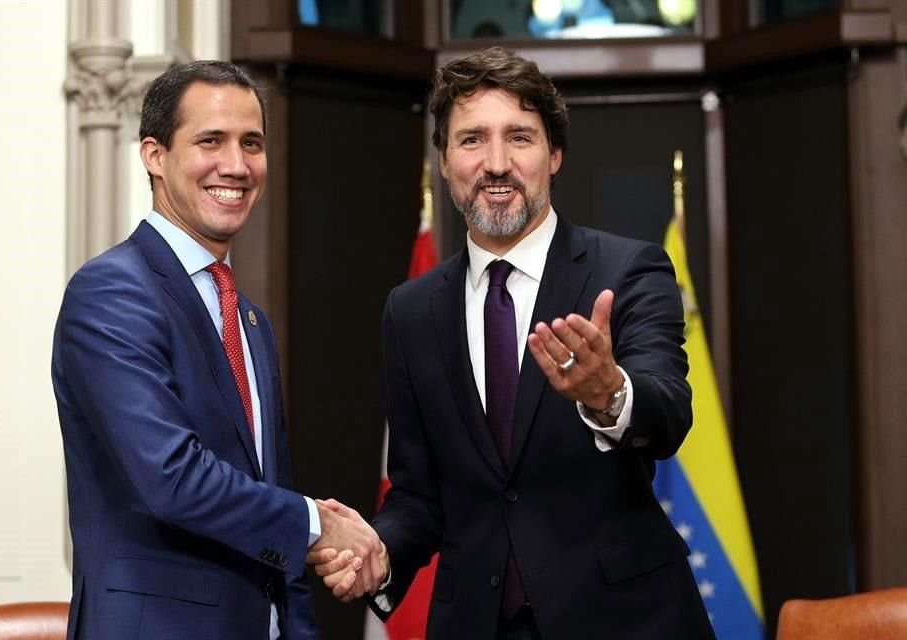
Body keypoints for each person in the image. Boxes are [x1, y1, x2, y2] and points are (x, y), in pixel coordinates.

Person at [311, 47, 714, 639]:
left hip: (624, 620)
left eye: (519, 138)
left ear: (553, 155)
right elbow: (420, 494)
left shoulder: (628, 270)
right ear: (445, 161)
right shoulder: (411, 310)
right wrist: (379, 548)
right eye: (472, 140)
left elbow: (669, 413)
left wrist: (610, 396)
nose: (496, 163)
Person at [51, 60, 380, 640]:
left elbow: (268, 498)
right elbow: (170, 476)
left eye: (251, 143)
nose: (236, 165)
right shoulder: (111, 291)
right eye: (211, 141)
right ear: (154, 155)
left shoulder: (248, 319)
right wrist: (317, 525)